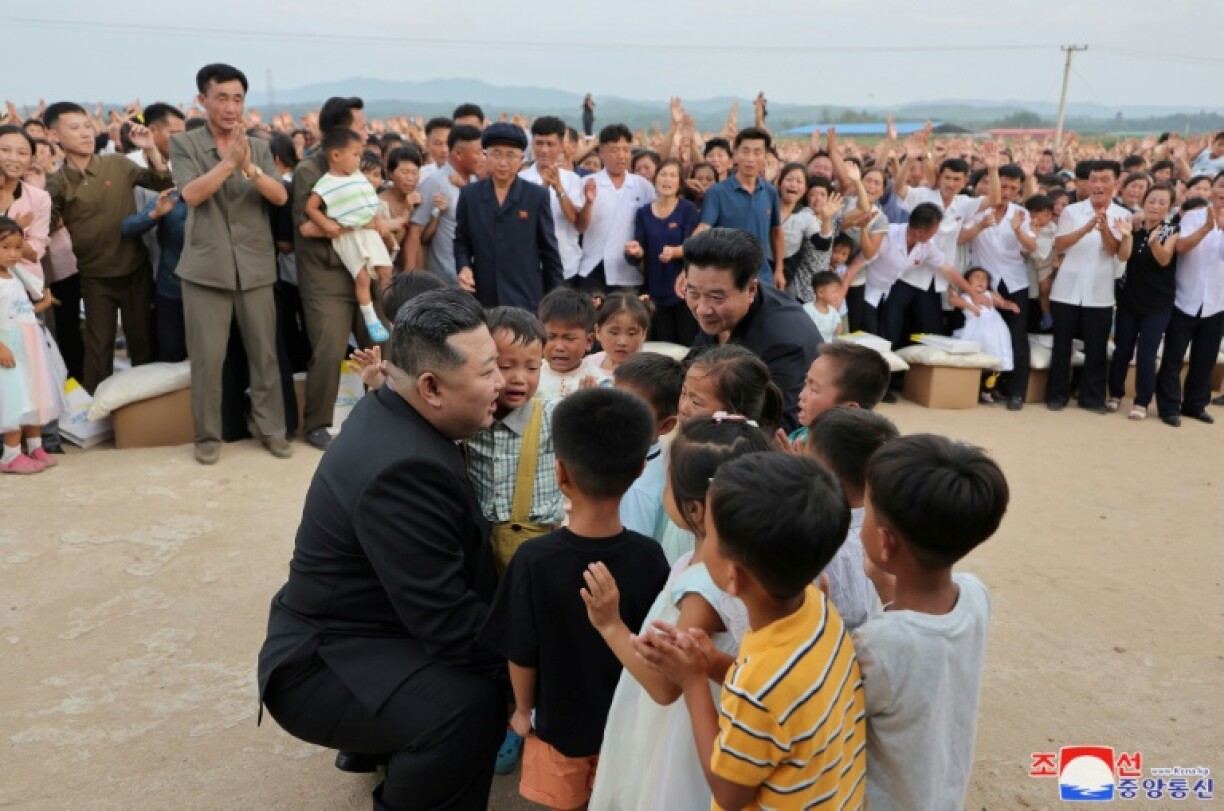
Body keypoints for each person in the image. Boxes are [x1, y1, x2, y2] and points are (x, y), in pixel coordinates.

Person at [258, 290, 507, 811]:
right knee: (468, 707)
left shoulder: (394, 411)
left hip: (363, 625)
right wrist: (537, 664)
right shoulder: (403, 469)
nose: (501, 384)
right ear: (431, 386)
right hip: (322, 662)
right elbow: (448, 624)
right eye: (487, 373)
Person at [478, 388, 670, 811]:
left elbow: (521, 650)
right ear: (640, 470)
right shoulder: (650, 556)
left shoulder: (534, 559)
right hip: (625, 730)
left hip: (557, 729)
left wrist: (523, 711)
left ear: (560, 473)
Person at [640, 452, 865, 810]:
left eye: (710, 534)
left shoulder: (757, 686)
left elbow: (730, 795)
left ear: (735, 576)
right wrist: (713, 663)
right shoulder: (817, 606)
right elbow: (781, 700)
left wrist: (694, 683)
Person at [588, 416, 768, 811]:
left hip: (685, 727)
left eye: (667, 480)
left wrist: (610, 625)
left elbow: (665, 686)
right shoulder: (739, 564)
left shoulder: (705, 589)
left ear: (696, 509)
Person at [854, 434, 1010, 810]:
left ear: (887, 543)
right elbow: (924, 638)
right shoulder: (975, 595)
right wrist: (880, 578)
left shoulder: (875, 642)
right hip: (943, 793)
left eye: (867, 510)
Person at [172, 63, 291, 465]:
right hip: (206, 270)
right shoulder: (185, 144)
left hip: (255, 267)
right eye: (221, 97)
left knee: (265, 356)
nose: (230, 106)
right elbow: (190, 194)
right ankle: (208, 436)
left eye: (237, 98)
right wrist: (227, 164)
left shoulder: (258, 146)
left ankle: (272, 429)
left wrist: (249, 166)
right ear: (202, 100)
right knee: (208, 360)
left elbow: (279, 197)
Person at [44, 101, 172, 393]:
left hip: (135, 271)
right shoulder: (57, 182)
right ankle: (95, 417)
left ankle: (148, 408)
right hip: (95, 277)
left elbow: (163, 180)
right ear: (54, 137)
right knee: (98, 348)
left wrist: (150, 148)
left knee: (142, 343)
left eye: (87, 126)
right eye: (74, 128)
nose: (85, 134)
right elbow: (44, 226)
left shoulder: (117, 163)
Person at [683, 227, 822, 432]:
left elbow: (779, 430)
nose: (702, 309)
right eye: (693, 292)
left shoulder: (783, 342)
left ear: (750, 290)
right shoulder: (719, 315)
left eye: (716, 297)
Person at [292, 95, 370, 452]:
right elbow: (304, 226)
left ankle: (382, 416)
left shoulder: (358, 164)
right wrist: (347, 223)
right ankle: (317, 423)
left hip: (361, 269)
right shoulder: (310, 170)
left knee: (379, 342)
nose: (366, 133)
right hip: (325, 275)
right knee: (329, 348)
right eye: (361, 126)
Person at [466, 306, 564, 575]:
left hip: (537, 548)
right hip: (480, 549)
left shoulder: (551, 416)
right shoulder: (468, 419)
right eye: (505, 366)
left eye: (532, 367)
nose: (519, 378)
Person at [1047, 160, 1133, 413]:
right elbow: (1060, 244)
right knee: (1061, 345)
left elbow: (1116, 252)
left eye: (1105, 180)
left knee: (1096, 348)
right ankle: (1057, 395)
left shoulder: (1123, 215)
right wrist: (1085, 229)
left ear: (1116, 184)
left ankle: (1092, 398)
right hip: (1066, 289)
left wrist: (1105, 229)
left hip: (1100, 292)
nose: (1098, 185)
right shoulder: (1072, 211)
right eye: (1094, 179)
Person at [892, 148, 1002, 339]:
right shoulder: (923, 195)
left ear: (964, 181)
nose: (950, 183)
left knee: (929, 332)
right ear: (940, 177)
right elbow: (899, 188)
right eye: (947, 178)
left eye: (956, 179)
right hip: (907, 275)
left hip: (936, 279)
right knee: (894, 326)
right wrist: (909, 160)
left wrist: (992, 170)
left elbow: (994, 199)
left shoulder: (964, 203)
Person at [806, 406, 898, 630]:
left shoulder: (823, 542)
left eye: (804, 457)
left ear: (823, 475)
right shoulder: (883, 526)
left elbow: (853, 617)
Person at [454, 123, 564, 310]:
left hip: (526, 296)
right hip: (483, 295)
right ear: (485, 156)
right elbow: (461, 240)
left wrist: (556, 300)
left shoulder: (536, 196)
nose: (503, 162)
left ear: (521, 159)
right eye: (496, 154)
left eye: (510, 155)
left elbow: (549, 252)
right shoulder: (469, 195)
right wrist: (463, 266)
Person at [960, 164, 1037, 410]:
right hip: (982, 284)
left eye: (1013, 188)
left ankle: (1015, 392)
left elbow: (1031, 247)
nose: (1007, 191)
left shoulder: (1020, 213)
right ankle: (978, 388)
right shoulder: (978, 208)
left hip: (1014, 282)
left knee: (1017, 337)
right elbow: (961, 238)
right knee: (981, 332)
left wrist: (1017, 231)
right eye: (1003, 185)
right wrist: (981, 226)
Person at [304, 128, 393, 342]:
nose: (358, 160)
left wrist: (375, 217)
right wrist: (326, 224)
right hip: (347, 236)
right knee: (361, 277)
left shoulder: (357, 176)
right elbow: (311, 208)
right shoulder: (325, 183)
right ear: (336, 155)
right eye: (355, 155)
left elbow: (366, 200)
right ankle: (370, 317)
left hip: (368, 231)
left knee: (386, 270)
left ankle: (390, 309)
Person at [862, 203, 988, 346]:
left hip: (885, 291)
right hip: (865, 290)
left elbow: (948, 270)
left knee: (886, 336)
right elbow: (859, 263)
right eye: (934, 229)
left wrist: (973, 293)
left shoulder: (927, 245)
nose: (936, 233)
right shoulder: (889, 236)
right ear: (920, 232)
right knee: (870, 336)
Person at [1155, 175, 1224, 427]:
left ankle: (1195, 405)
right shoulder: (1194, 216)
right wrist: (1207, 228)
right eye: (1221, 186)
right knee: (1173, 358)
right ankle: (1169, 407)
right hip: (1184, 298)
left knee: (1204, 359)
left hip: (1216, 303)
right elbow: (1180, 247)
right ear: (1212, 190)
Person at [1108, 183, 1178, 420]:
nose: (1155, 206)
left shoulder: (1171, 230)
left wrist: (1154, 243)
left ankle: (1142, 401)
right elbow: (1123, 256)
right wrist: (1127, 236)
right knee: (1122, 350)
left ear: (1169, 207)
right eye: (1151, 200)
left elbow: (1164, 260)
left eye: (1162, 202)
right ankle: (1116, 394)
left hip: (1158, 304)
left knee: (1147, 354)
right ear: (1144, 202)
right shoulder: (1133, 226)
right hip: (1129, 299)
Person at [0, 217, 59, 474]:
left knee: (33, 393)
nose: (14, 254)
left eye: (17, 247)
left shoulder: (12, 276)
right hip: (9, 346)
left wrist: (40, 307)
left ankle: (34, 446)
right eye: (6, 248)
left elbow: (19, 311)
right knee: (16, 398)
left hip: (28, 344)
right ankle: (10, 455)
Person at [695, 127, 783, 286]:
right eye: (746, 151)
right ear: (735, 154)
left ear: (765, 156)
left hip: (762, 277)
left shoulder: (771, 192)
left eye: (757, 152)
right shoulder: (717, 192)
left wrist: (779, 270)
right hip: (727, 278)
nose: (751, 158)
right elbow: (703, 229)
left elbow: (777, 232)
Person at [625, 158, 700, 344]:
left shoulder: (688, 210)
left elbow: (694, 247)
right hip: (655, 289)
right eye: (663, 174)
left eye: (673, 175)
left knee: (686, 343)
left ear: (680, 182)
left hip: (684, 288)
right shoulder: (643, 212)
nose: (667, 180)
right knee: (661, 343)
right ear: (655, 179)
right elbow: (640, 250)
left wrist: (675, 252)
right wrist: (635, 251)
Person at [576, 124, 656, 293]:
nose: (621, 156)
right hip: (593, 267)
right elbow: (579, 226)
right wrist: (588, 203)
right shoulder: (588, 183)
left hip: (628, 271)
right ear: (601, 152)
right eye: (614, 150)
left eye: (626, 150)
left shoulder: (643, 186)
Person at [614, 351, 684, 540]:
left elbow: (631, 553)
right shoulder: (663, 452)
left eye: (631, 409)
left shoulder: (634, 488)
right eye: (613, 399)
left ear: (666, 425)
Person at [403, 124, 481, 283]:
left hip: (471, 279)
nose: (482, 158)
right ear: (458, 154)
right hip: (445, 281)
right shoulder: (435, 183)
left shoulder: (474, 182)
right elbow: (414, 232)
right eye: (478, 153)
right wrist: (409, 280)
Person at [120, 188, 187, 361]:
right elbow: (128, 227)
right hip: (172, 290)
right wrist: (156, 214)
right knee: (171, 354)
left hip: (209, 291)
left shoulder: (218, 197)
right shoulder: (171, 198)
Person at [520, 116, 586, 283]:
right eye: (539, 143)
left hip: (566, 263)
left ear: (561, 146)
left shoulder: (572, 180)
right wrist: (542, 188)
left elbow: (575, 220)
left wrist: (559, 188)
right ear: (532, 143)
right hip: (529, 265)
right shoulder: (520, 179)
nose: (544, 150)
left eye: (550, 144)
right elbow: (522, 221)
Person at [791, 341, 891, 447]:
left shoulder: (842, 459)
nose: (801, 395)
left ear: (848, 410)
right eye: (806, 383)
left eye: (814, 389)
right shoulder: (802, 434)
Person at [949, 268, 1020, 404]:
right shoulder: (966, 297)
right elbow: (954, 302)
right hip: (977, 332)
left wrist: (1008, 305)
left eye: (985, 279)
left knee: (998, 363)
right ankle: (971, 388)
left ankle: (987, 391)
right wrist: (969, 306)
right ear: (966, 282)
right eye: (976, 277)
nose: (981, 280)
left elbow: (1002, 303)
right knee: (976, 361)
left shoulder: (989, 294)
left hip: (997, 333)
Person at [536, 286, 601, 399]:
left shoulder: (597, 381)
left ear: (589, 341)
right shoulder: (532, 373)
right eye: (551, 337)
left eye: (569, 338)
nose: (559, 347)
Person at [587, 290, 651, 378]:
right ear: (598, 331)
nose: (622, 342)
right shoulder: (588, 365)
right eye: (614, 333)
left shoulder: (650, 373)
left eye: (631, 334)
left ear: (643, 334)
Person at [803, 270, 845, 342]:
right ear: (820, 293)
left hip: (827, 349)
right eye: (834, 291)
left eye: (838, 292)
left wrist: (839, 328)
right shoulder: (807, 309)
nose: (837, 295)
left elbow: (838, 326)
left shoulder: (833, 311)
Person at [419, 116, 451, 182]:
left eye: (448, 143)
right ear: (427, 145)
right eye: (438, 143)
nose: (444, 150)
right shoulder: (419, 176)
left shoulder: (469, 175)